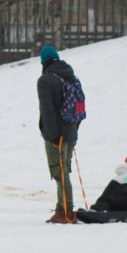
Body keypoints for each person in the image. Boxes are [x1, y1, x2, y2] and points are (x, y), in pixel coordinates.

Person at [37, 44, 84, 224]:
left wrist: (52, 135)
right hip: (71, 133)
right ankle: (61, 208)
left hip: (56, 135)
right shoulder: (72, 76)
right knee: (64, 172)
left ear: (44, 62)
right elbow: (80, 107)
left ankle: (65, 211)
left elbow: (47, 111)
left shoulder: (45, 81)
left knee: (59, 172)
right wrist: (74, 130)